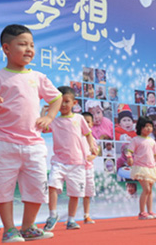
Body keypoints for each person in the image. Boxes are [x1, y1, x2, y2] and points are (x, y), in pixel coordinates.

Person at [0, 24, 62, 242]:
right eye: (22, 44)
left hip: (34, 144)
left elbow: (56, 98)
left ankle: (28, 226)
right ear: (6, 48)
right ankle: (9, 229)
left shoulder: (38, 76)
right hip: (4, 143)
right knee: (2, 187)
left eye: (32, 45)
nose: (29, 49)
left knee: (37, 187)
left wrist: (49, 117)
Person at [43, 86, 98, 232]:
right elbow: (42, 129)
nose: (63, 105)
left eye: (67, 101)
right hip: (59, 161)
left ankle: (71, 220)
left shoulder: (79, 119)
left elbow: (88, 133)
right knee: (52, 186)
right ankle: (52, 215)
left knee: (75, 194)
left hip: (77, 163)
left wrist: (91, 145)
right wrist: (44, 113)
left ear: (74, 103)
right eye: (60, 102)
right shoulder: (54, 120)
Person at [126, 116, 156, 220]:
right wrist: (129, 158)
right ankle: (142, 212)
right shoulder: (136, 140)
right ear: (140, 127)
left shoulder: (152, 141)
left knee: (150, 190)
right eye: (146, 126)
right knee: (146, 189)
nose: (149, 129)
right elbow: (129, 151)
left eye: (150, 126)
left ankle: (150, 211)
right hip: (140, 167)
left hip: (151, 168)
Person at [81, 112, 99, 224]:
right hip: (76, 168)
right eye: (83, 122)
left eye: (87, 122)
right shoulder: (75, 136)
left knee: (87, 194)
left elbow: (95, 152)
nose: (85, 124)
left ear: (92, 124)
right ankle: (70, 217)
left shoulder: (92, 139)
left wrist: (91, 156)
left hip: (88, 169)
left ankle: (86, 215)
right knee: (74, 193)